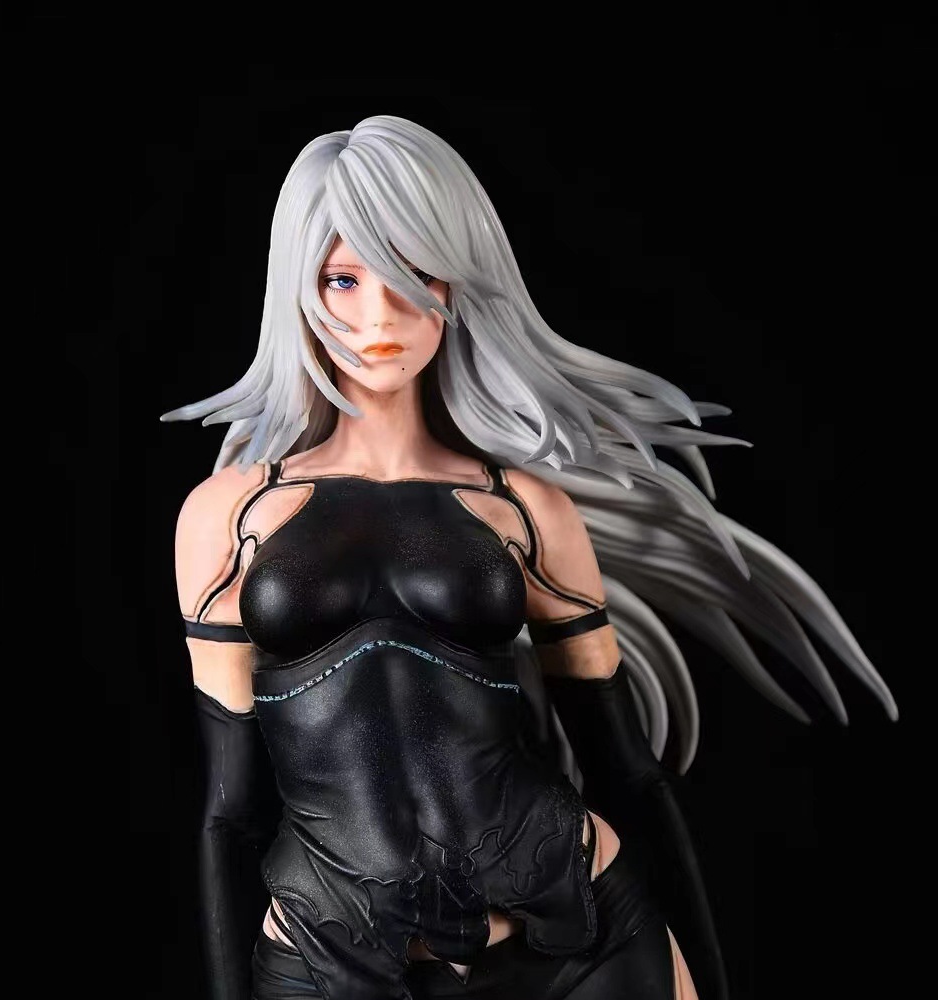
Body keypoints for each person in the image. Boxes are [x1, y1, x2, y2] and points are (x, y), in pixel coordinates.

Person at [161, 115, 897, 1000]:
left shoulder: (523, 509)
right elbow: (228, 812)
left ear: (457, 284)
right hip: (332, 954)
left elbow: (629, 772)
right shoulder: (232, 515)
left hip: (576, 937)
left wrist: (709, 974)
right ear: (298, 290)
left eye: (412, 275)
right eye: (343, 279)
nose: (379, 316)